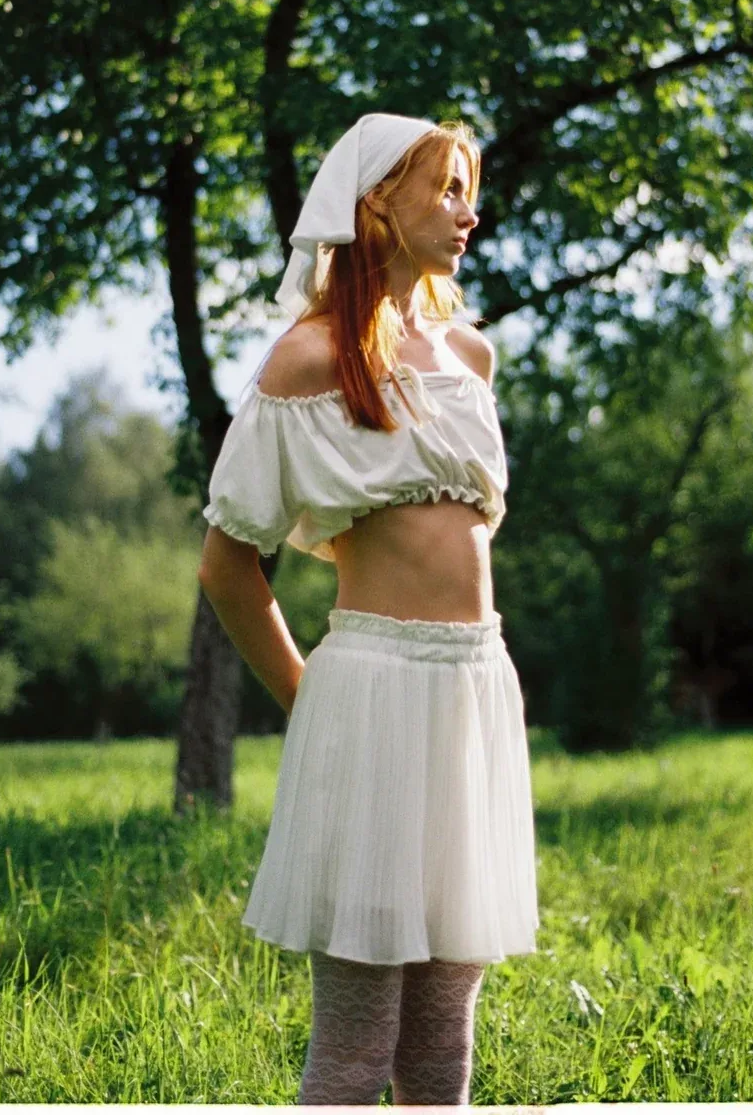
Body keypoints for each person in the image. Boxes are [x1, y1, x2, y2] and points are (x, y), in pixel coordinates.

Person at [196, 112, 539, 1106]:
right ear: (378, 203)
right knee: (354, 1045)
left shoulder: (469, 357)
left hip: (475, 684)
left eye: (469, 189)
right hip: (370, 688)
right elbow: (227, 566)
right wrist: (309, 696)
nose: (469, 212)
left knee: (442, 1040)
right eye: (447, 188)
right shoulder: (304, 362)